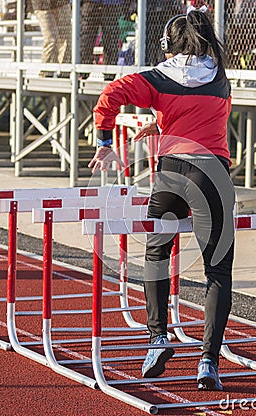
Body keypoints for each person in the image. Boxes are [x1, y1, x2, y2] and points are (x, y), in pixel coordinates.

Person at [89, 5, 235, 391]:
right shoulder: (220, 74)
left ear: (169, 45)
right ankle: (208, 362)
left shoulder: (160, 76)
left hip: (172, 173)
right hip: (213, 175)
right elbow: (207, 115)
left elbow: (111, 94)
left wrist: (106, 142)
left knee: (156, 252)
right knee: (217, 271)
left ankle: (158, 338)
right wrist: (163, 120)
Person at [31, 0, 72, 77]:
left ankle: (64, 73)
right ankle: (46, 73)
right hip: (43, 5)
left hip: (62, 4)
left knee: (67, 40)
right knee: (52, 40)